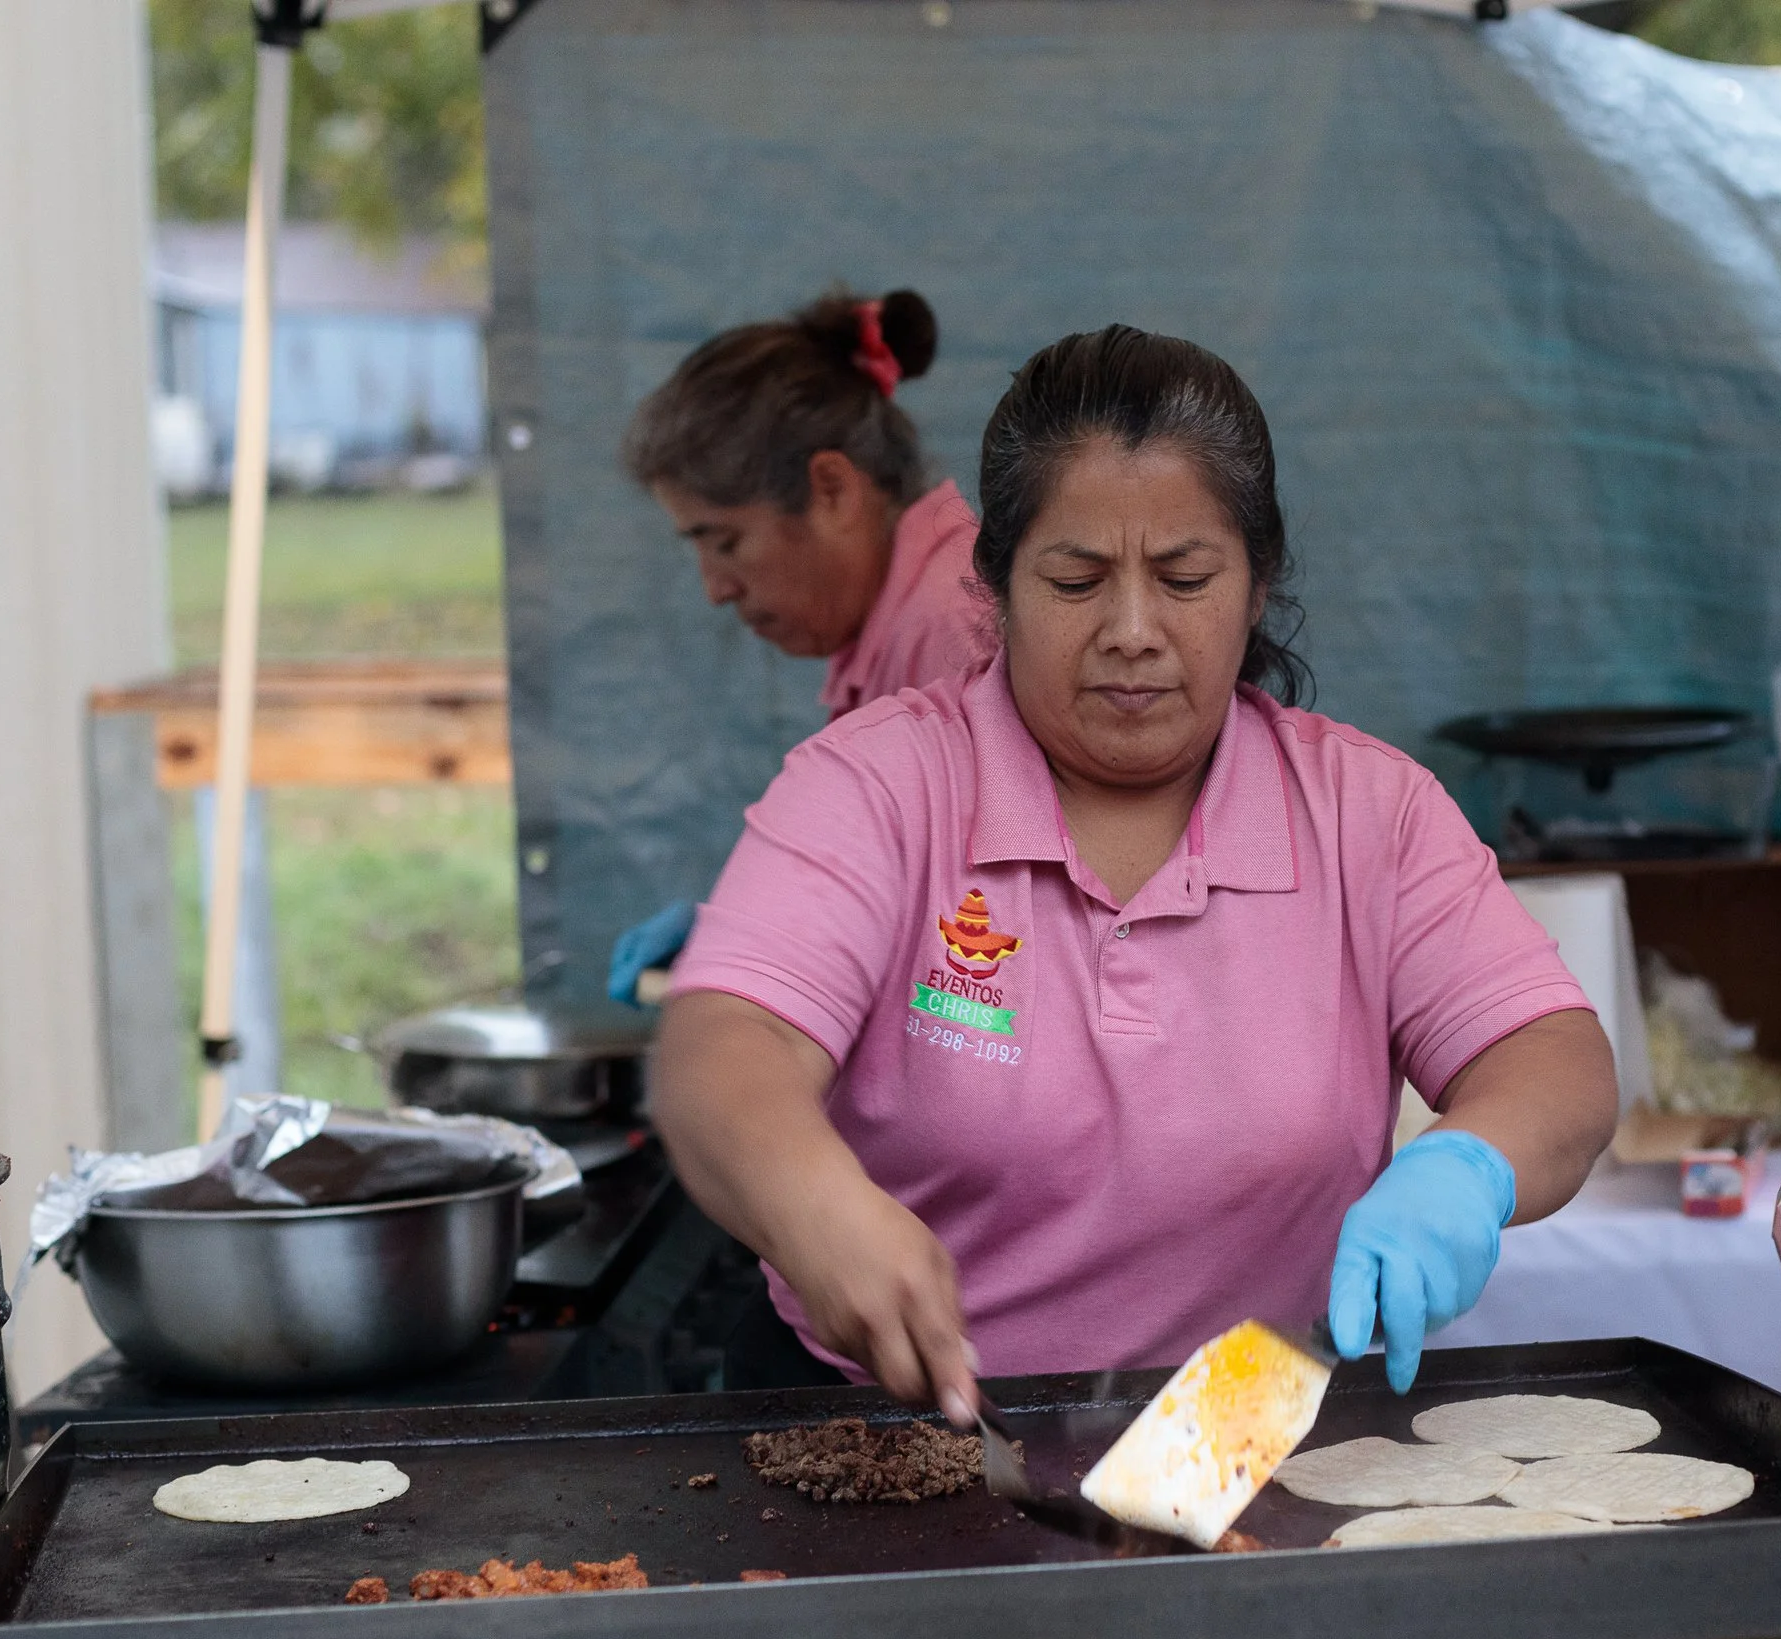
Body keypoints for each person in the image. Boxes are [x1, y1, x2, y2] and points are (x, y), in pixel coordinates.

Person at [651, 325, 1618, 1412]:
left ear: (1256, 584)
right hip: (892, 1417)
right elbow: (722, 1051)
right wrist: (812, 1203)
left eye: (1184, 578)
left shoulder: (1367, 812)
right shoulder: (878, 786)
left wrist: (1469, 1165)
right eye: (1075, 581)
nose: (1132, 630)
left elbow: (1553, 1057)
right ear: (996, 586)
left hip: (1242, 1432)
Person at [609, 288, 995, 1002]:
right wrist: (756, 930)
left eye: (726, 542)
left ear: (833, 490)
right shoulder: (902, 628)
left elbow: (981, 951)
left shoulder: (957, 634)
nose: (715, 589)